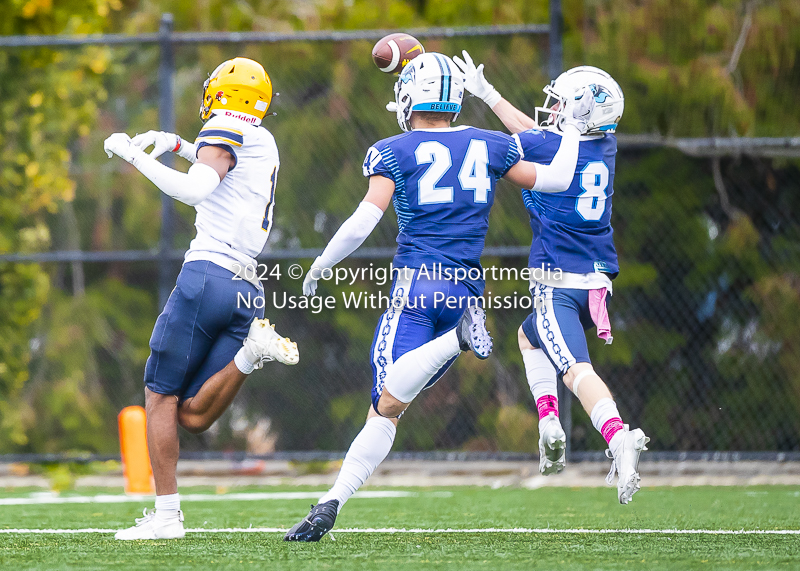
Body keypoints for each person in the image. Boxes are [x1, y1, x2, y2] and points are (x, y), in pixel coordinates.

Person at [284, 52, 594, 542]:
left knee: (386, 397)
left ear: (409, 97)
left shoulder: (393, 149)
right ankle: (330, 503)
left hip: (416, 285)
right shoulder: (489, 144)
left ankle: (458, 341)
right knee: (391, 405)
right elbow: (556, 179)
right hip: (466, 287)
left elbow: (365, 219)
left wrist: (323, 262)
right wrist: (574, 134)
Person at [103, 57, 299, 540]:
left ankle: (167, 517)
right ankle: (252, 353)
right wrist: (176, 144)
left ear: (222, 96)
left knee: (158, 394)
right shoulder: (261, 138)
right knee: (191, 414)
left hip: (207, 274)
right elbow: (220, 166)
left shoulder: (224, 126)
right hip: (247, 288)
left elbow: (196, 189)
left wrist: (134, 155)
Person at [453, 51, 649, 504]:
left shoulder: (555, 147)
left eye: (563, 104)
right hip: (595, 282)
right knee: (528, 338)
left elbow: (522, 141)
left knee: (575, 371)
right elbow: (538, 134)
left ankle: (619, 437)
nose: (554, 110)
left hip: (557, 283)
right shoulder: (604, 145)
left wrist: (457, 124)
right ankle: (549, 424)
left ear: (581, 112)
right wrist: (490, 94)